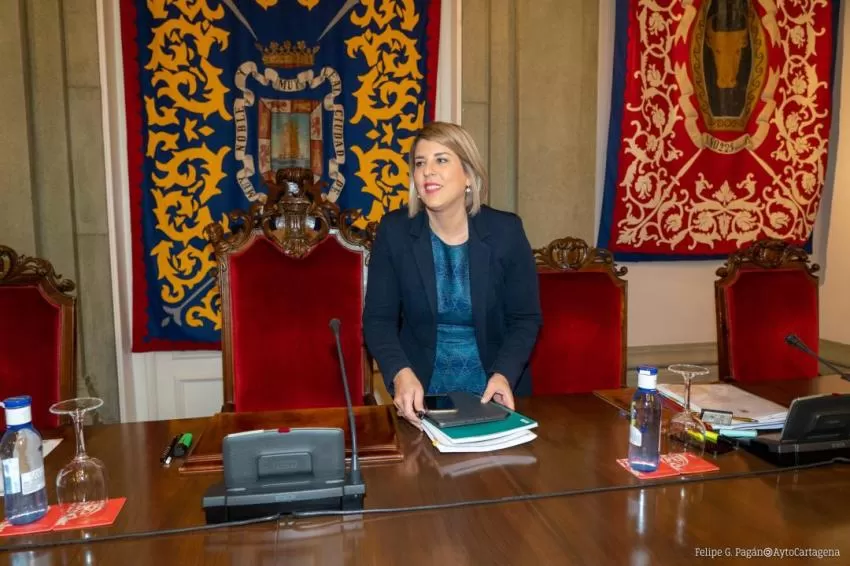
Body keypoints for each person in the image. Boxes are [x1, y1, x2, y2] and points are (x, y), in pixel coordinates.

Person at [363, 121, 542, 426]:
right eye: (420, 163)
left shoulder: (506, 232)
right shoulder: (395, 233)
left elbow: (525, 319)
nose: (427, 171)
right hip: (422, 400)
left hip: (494, 394)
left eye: (441, 160)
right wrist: (400, 373)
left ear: (469, 176)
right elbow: (378, 321)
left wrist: (504, 375)